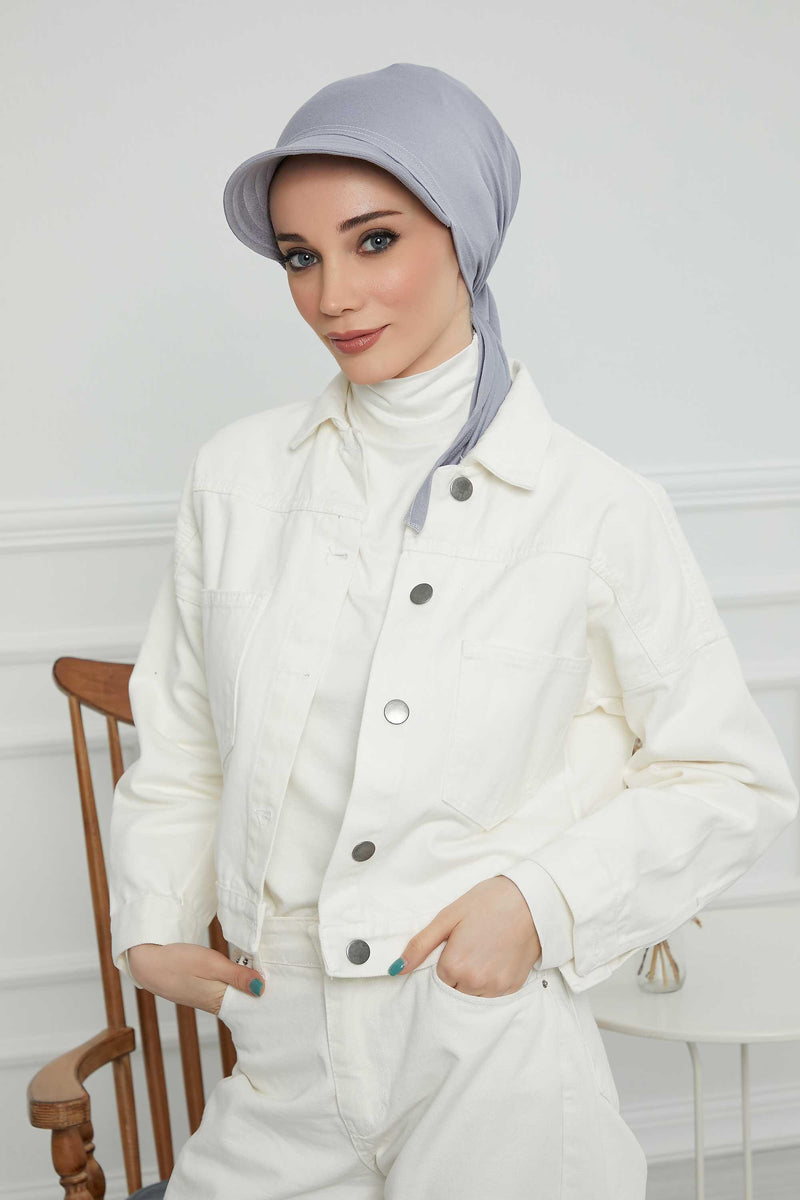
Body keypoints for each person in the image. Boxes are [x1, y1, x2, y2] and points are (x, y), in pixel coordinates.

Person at [108, 63, 799, 1199]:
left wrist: (538, 906)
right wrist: (150, 925)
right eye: (299, 256)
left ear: (464, 236)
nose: (332, 295)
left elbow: (731, 778)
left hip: (488, 1054)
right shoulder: (234, 482)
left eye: (373, 241)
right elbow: (184, 741)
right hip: (283, 1047)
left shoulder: (596, 509)